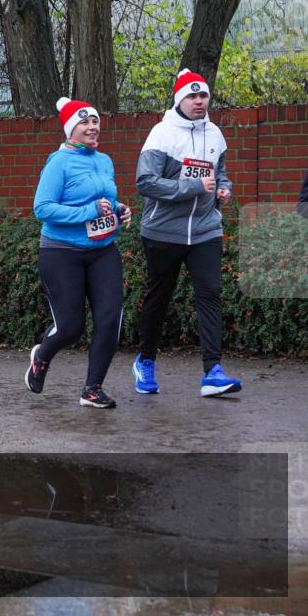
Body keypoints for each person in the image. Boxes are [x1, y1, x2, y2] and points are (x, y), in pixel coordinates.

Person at [133, 69, 242, 397]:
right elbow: (146, 182)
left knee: (209, 295)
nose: (199, 102)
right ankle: (146, 361)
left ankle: (212, 372)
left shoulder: (216, 135)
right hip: (164, 231)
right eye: (192, 96)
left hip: (206, 231)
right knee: (159, 299)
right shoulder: (161, 134)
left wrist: (224, 188)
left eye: (203, 96)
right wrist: (194, 186)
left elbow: (220, 173)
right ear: (180, 100)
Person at [25, 98, 132, 409]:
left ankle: (92, 389)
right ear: (72, 129)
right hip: (61, 253)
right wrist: (87, 211)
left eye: (95, 122)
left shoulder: (104, 161)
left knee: (110, 320)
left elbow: (105, 201)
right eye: (85, 123)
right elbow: (42, 208)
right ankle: (41, 355)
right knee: (71, 327)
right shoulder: (58, 162)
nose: (92, 127)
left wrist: (120, 210)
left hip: (102, 251)